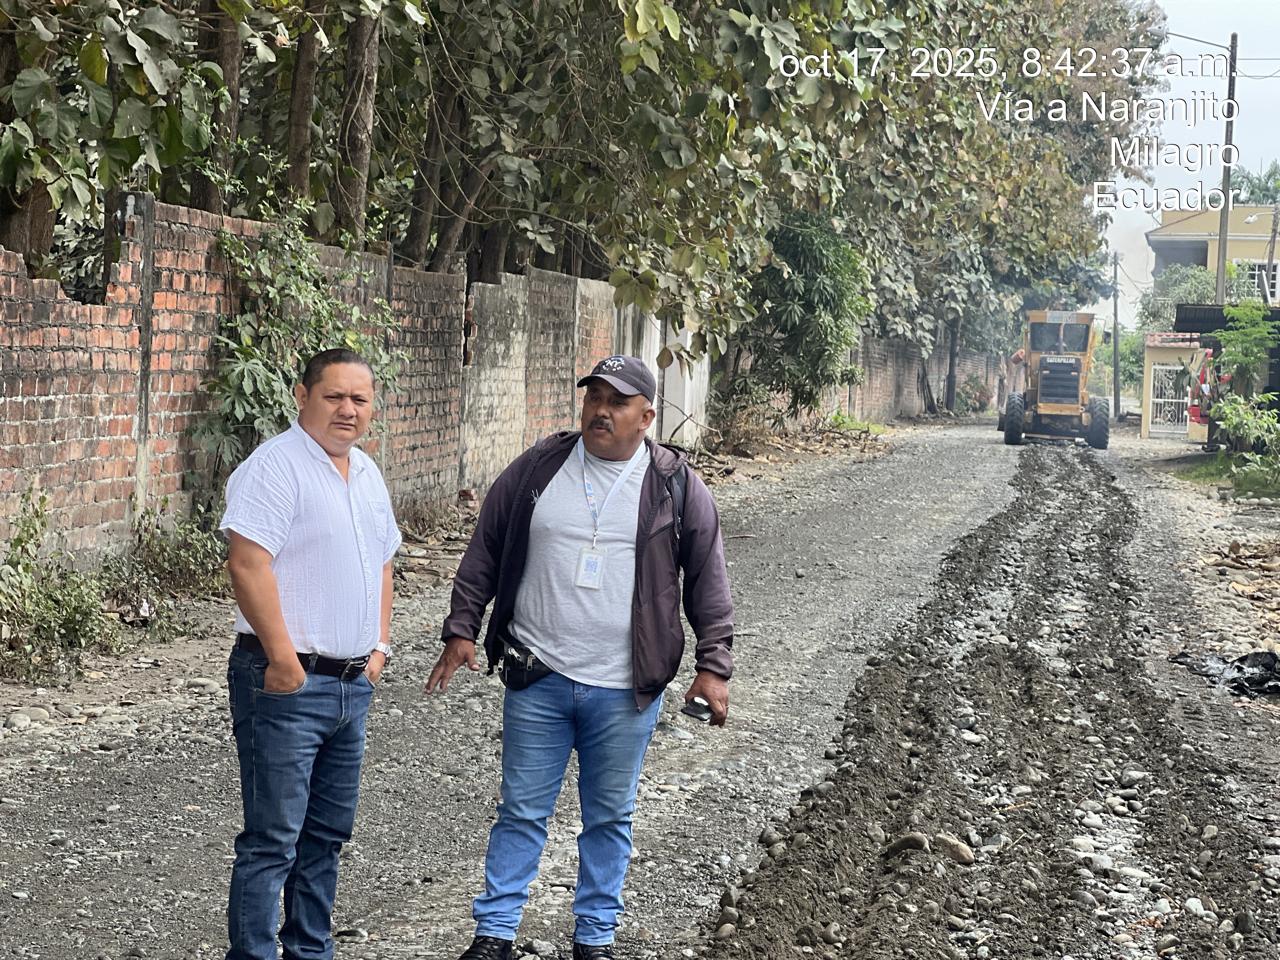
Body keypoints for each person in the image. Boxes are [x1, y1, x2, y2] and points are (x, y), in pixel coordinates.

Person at [427, 355, 735, 960]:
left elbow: (708, 578)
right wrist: (462, 626)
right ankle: (494, 935)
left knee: (610, 817)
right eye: (594, 397)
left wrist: (713, 665)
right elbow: (486, 545)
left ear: (646, 417)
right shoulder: (540, 466)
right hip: (537, 673)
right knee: (520, 810)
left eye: (618, 402)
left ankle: (594, 939)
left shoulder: (674, 483)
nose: (601, 410)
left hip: (625, 687)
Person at [219, 348, 400, 960]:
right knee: (273, 839)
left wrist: (378, 648)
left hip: (352, 685)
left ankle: (309, 951)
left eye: (359, 399)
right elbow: (247, 564)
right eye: (334, 396)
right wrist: (283, 661)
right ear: (302, 396)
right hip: (286, 681)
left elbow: (383, 563)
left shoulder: (367, 473)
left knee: (326, 836)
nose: (348, 410)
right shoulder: (275, 467)